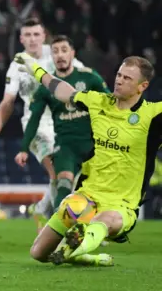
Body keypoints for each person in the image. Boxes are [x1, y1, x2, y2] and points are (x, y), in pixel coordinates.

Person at [17, 53, 159, 266]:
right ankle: (83, 254)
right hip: (88, 197)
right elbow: (64, 91)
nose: (119, 80)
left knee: (106, 220)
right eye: (119, 75)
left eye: (127, 78)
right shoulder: (98, 102)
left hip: (122, 206)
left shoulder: (154, 115)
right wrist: (35, 69)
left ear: (142, 86)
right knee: (38, 253)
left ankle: (75, 244)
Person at [0, 19, 86, 230]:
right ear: (21, 39)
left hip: (64, 123)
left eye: (36, 34)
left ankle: (41, 209)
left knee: (71, 176)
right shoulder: (18, 64)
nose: (32, 39)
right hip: (36, 126)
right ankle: (64, 227)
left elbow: (83, 77)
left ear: (43, 36)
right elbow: (7, 103)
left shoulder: (57, 54)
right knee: (57, 170)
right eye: (28, 35)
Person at [15, 35, 110, 211]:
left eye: (64, 50)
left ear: (72, 53)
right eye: (55, 51)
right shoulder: (45, 88)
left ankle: (95, 229)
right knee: (63, 182)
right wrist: (23, 148)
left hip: (93, 145)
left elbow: (111, 104)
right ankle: (62, 229)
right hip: (65, 146)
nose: (60, 55)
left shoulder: (89, 78)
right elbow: (34, 118)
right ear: (51, 56)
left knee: (94, 192)